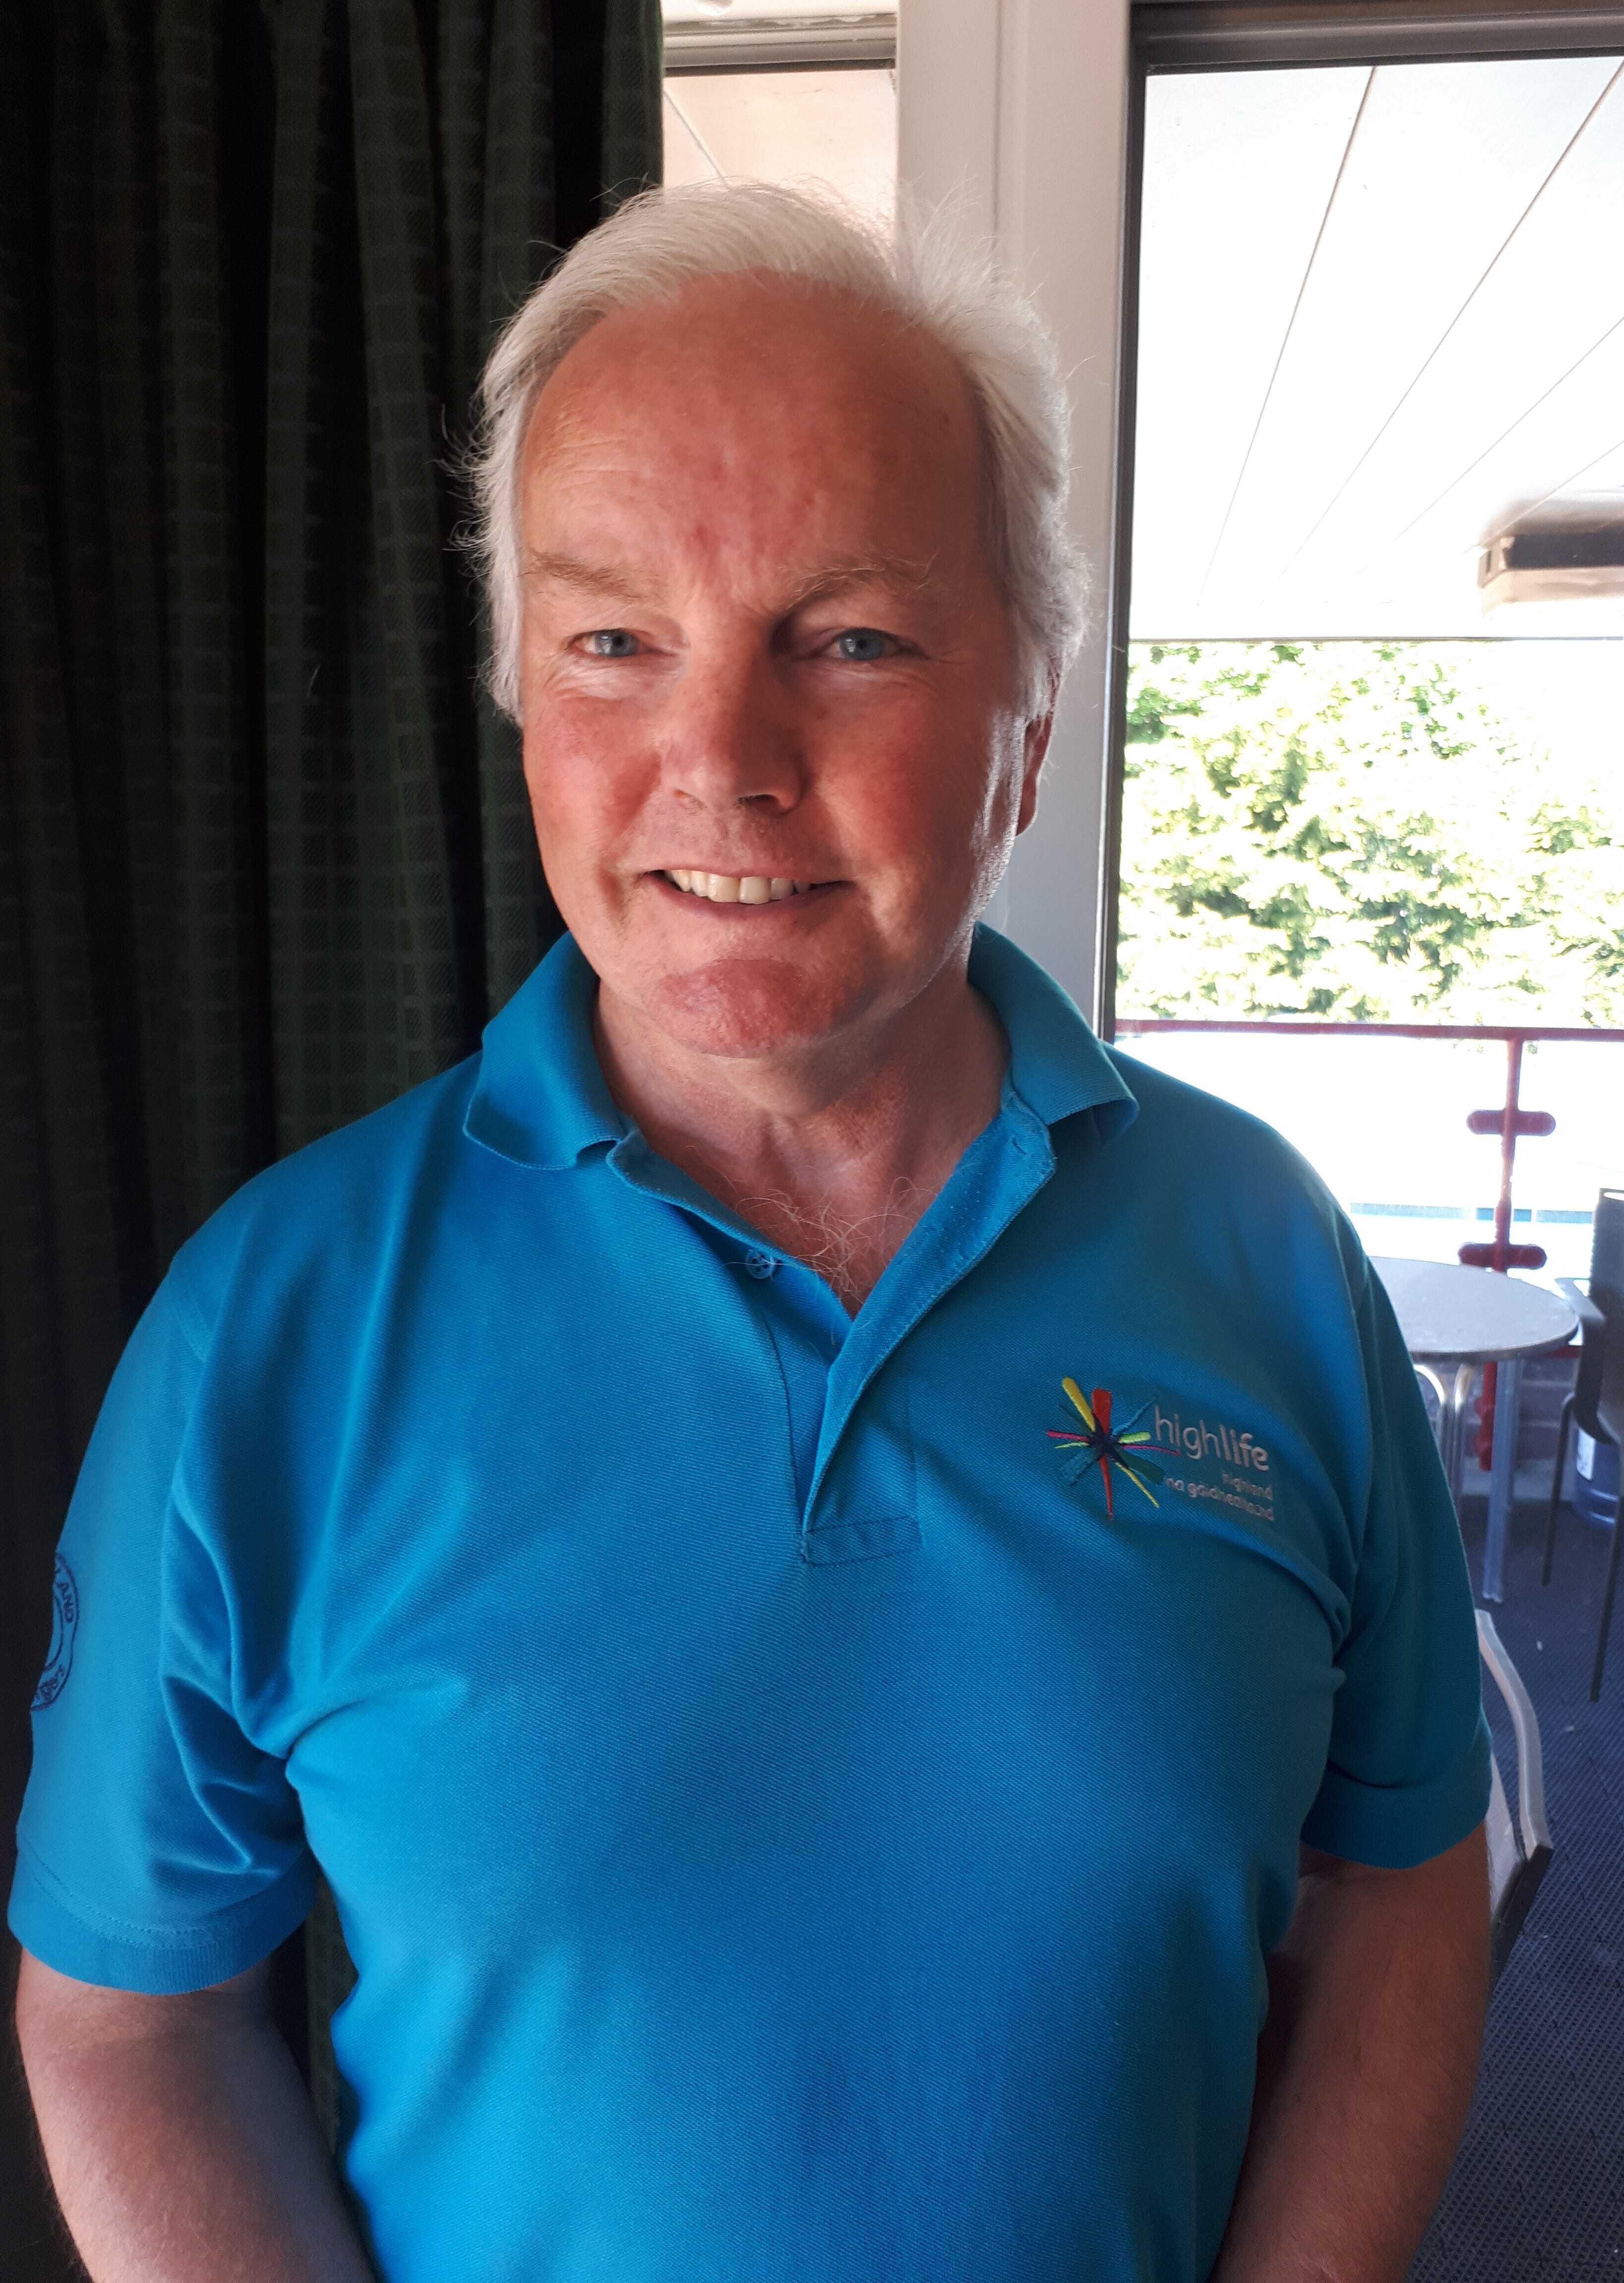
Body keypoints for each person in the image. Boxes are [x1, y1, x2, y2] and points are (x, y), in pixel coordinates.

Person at [11, 183, 1493, 2283]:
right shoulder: (266, 1328)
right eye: (614, 643)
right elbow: (129, 2017)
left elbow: (1403, 1878)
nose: (717, 763)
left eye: (852, 640)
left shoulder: (1267, 1257)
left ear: (1033, 718)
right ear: (525, 698)